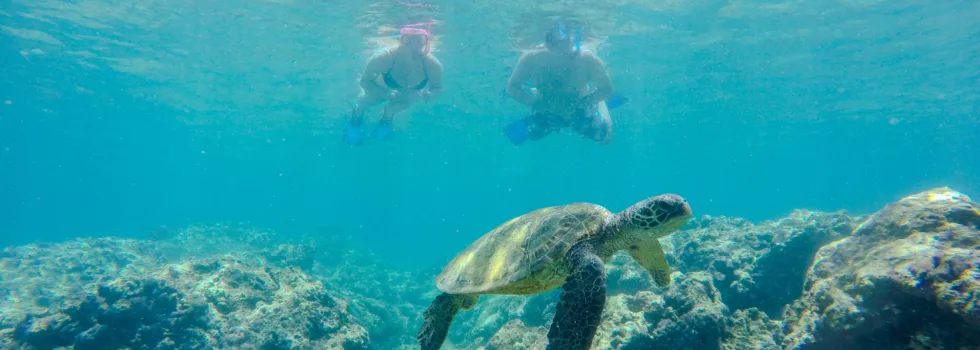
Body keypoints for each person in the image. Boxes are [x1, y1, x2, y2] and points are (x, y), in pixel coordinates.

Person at [502, 20, 627, 146]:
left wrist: (589, 101)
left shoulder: (587, 60)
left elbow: (607, 89)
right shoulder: (531, 59)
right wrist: (533, 102)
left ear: (572, 39)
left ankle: (601, 104)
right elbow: (512, 87)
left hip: (579, 109)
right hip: (547, 111)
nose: (562, 47)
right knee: (534, 135)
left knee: (604, 137)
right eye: (555, 40)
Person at [343, 26, 444, 145]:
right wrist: (383, 93)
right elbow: (365, 81)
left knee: (390, 111)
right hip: (378, 88)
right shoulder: (385, 57)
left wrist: (430, 95)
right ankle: (355, 119)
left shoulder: (431, 64)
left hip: (408, 94)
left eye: (419, 40)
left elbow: (437, 86)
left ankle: (385, 119)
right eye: (409, 40)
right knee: (361, 104)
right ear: (401, 40)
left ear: (425, 43)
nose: (413, 46)